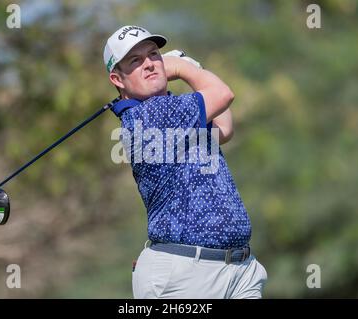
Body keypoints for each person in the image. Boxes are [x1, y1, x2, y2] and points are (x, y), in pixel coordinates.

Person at [103, 25, 267, 299]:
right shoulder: (151, 116)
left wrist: (191, 66)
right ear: (117, 79)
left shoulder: (174, 109)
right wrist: (183, 68)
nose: (150, 64)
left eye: (153, 54)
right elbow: (224, 94)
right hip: (185, 275)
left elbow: (223, 129)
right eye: (135, 60)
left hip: (238, 270)